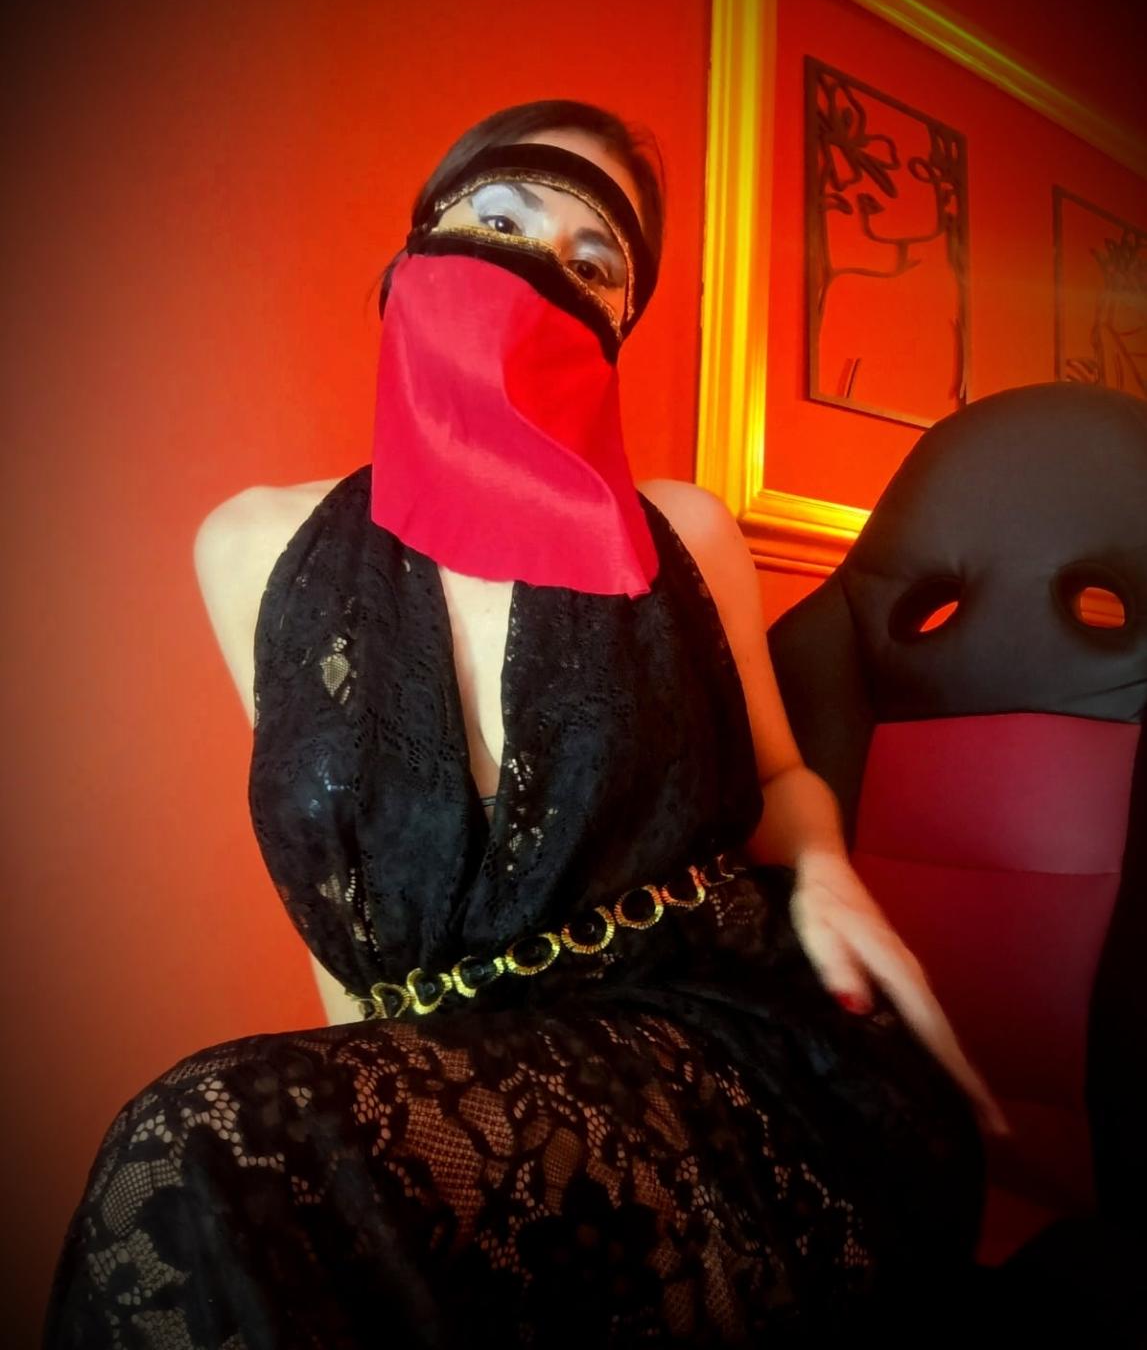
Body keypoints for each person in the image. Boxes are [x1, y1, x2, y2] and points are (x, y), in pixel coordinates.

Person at [43, 99, 1003, 1348]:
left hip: (732, 1063)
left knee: (182, 1141)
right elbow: (338, 901)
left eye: (592, 259)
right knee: (236, 1184)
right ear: (416, 248)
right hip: (482, 1093)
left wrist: (827, 874)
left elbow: (778, 777)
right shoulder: (251, 549)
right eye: (500, 219)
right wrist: (364, 1101)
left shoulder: (686, 531)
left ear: (616, 324)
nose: (540, 265)